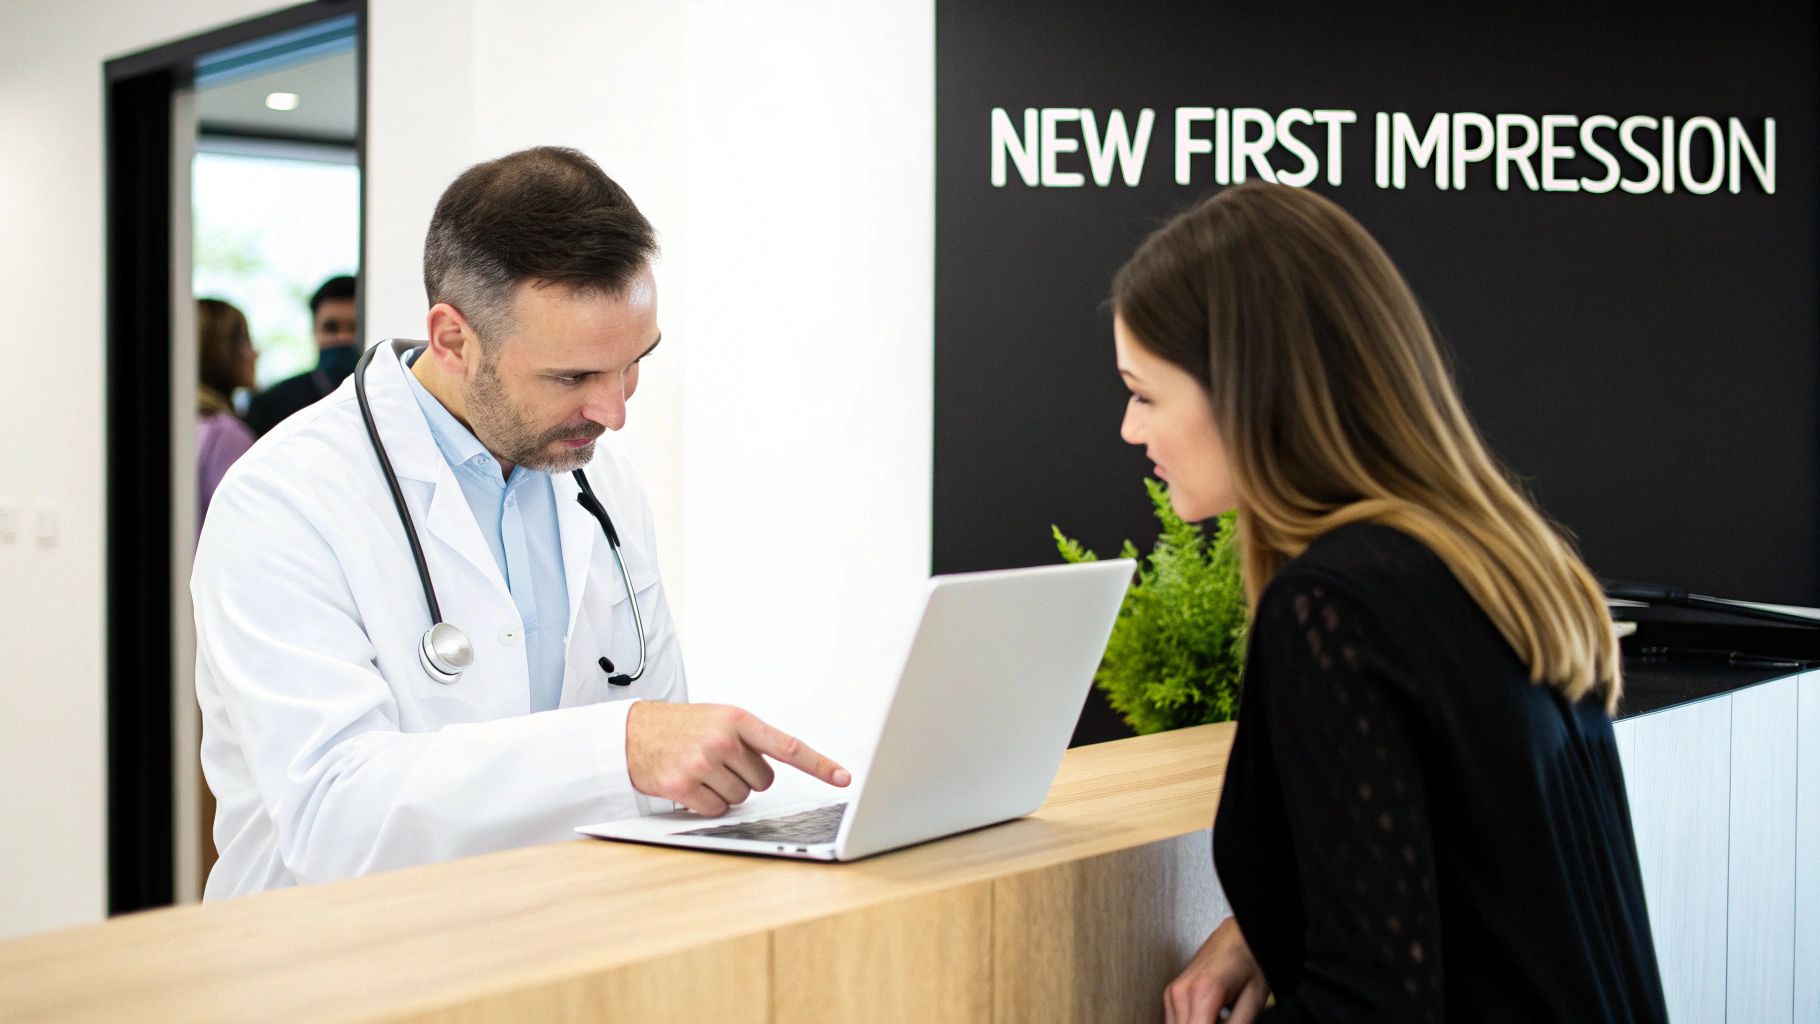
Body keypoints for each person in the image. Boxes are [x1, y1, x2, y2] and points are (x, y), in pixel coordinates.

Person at [192, 146, 849, 899]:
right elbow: (333, 820)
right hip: (342, 967)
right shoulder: (283, 500)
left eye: (634, 362)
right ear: (453, 340)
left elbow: (657, 759)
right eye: (573, 377)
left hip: (552, 939)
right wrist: (619, 751)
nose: (615, 411)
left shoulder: (599, 480)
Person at [1108, 183, 1668, 1022]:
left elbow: (1373, 1009)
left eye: (1146, 393)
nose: (1129, 428)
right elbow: (1477, 886)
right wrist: (1271, 927)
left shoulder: (1332, 607)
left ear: (1249, 388)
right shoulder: (1490, 563)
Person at [244, 274, 360, 436]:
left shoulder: (386, 399)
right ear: (313, 331)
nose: (343, 337)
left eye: (355, 328)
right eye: (331, 328)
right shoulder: (271, 405)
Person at [195, 298, 257, 532]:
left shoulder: (186, 425)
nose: (254, 353)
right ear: (219, 351)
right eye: (245, 341)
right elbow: (242, 529)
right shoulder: (224, 434)